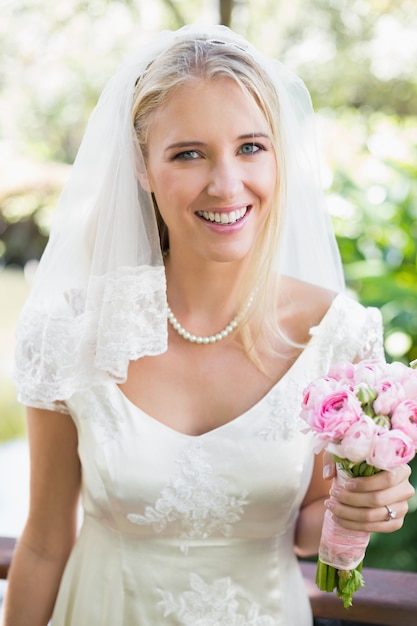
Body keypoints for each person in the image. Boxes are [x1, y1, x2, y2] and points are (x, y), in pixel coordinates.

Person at [2, 23, 414, 626]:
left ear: (279, 156)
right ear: (142, 166)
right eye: (188, 153)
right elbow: (42, 545)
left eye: (251, 146)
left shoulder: (337, 334)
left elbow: (309, 529)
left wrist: (360, 508)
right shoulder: (70, 331)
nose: (226, 184)